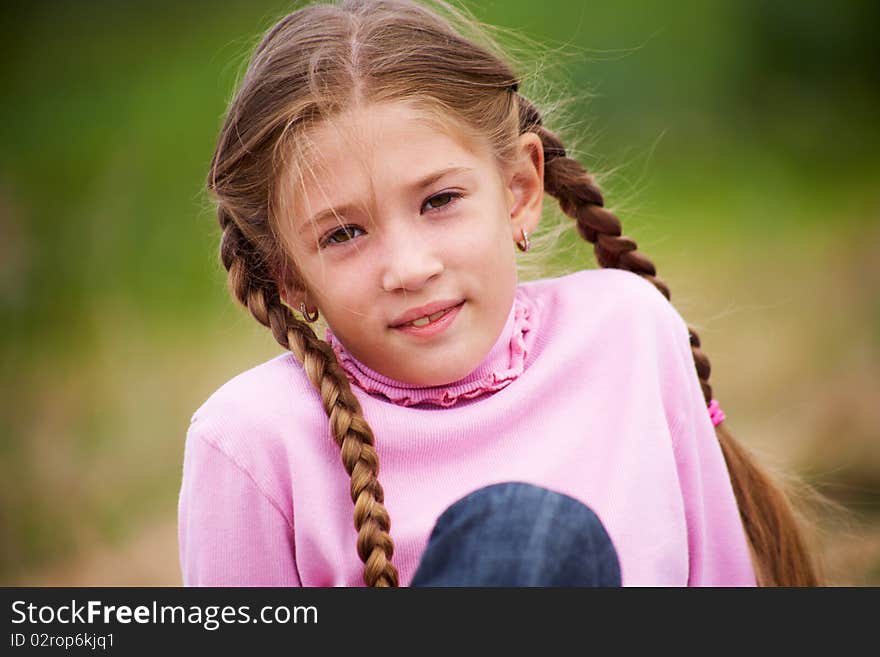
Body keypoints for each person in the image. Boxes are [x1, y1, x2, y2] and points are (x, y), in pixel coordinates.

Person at [177, 0, 821, 587]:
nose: (408, 267)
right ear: (287, 272)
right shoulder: (250, 442)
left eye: (440, 200)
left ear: (519, 190)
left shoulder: (627, 332)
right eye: (344, 233)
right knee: (521, 537)